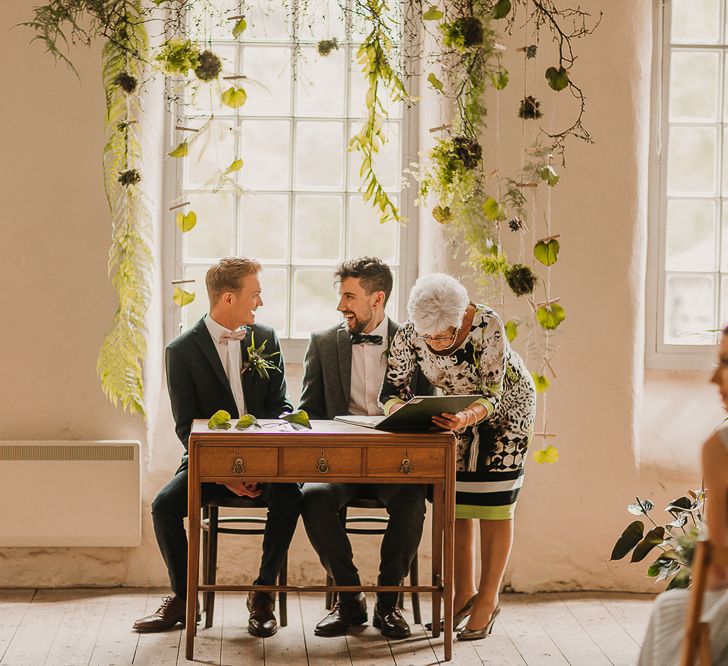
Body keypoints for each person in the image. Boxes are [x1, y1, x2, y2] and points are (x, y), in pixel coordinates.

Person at [133, 257, 301, 638]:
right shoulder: (181, 351)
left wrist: (270, 453)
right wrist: (226, 476)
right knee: (163, 507)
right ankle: (182, 597)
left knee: (291, 495)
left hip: (266, 464)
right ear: (228, 298)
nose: (259, 303)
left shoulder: (265, 338)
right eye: (254, 295)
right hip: (208, 464)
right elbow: (185, 427)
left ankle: (262, 595)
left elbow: (280, 407)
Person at [379, 273, 536, 640]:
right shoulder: (410, 333)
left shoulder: (487, 325)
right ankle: (461, 594)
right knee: (457, 502)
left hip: (506, 409)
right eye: (427, 336)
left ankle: (488, 600)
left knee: (494, 504)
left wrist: (467, 418)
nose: (434, 342)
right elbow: (391, 390)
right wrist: (401, 410)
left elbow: (493, 392)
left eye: (442, 336)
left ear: (461, 316)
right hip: (454, 415)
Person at [299, 257, 434, 639]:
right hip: (339, 464)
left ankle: (389, 604)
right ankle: (350, 597)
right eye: (341, 296)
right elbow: (308, 411)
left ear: (377, 298)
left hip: (397, 466)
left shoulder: (416, 343)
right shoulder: (324, 344)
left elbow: (428, 405)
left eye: (349, 296)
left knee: (412, 502)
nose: (341, 306)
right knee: (312, 498)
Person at [638, 327, 728, 665]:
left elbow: (718, 569)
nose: (714, 379)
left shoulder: (721, 446)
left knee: (669, 609)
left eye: (726, 363)